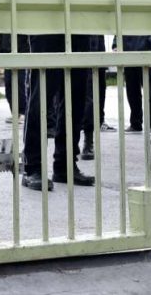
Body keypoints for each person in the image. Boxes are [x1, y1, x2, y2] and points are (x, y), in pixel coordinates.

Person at [21, 34, 101, 191]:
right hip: (47, 28)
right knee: (41, 95)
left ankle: (65, 165)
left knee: (76, 98)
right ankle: (32, 167)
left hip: (78, 29)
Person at [119, 35, 151, 133]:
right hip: (128, 52)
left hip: (145, 51)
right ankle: (135, 123)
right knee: (132, 91)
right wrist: (115, 43)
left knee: (150, 91)